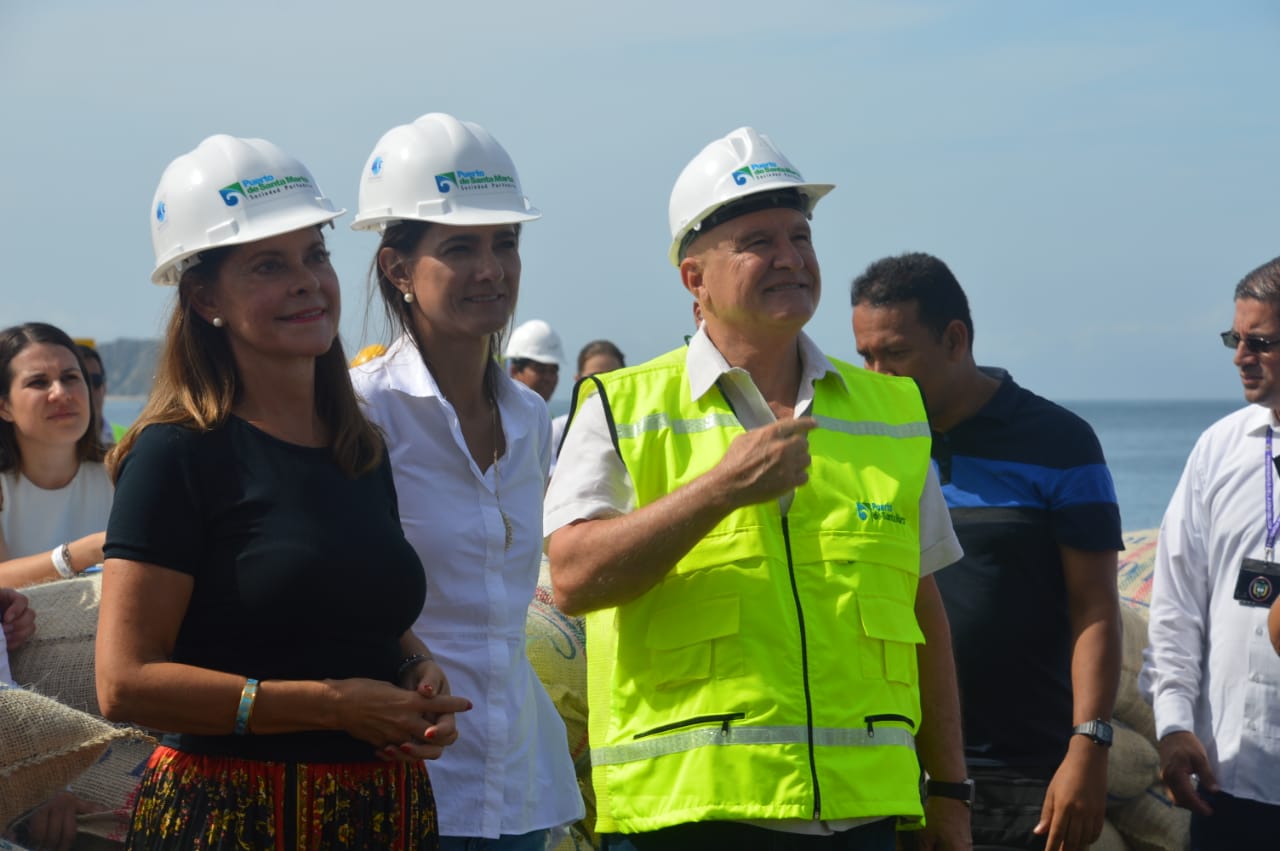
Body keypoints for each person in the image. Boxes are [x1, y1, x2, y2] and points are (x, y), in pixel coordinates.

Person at [546, 127, 970, 850]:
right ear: (694, 278)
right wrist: (719, 490)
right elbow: (573, 579)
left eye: (800, 236)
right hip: (690, 822)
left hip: (863, 816)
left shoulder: (893, 413)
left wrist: (951, 790)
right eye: (758, 242)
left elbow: (920, 604)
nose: (790, 258)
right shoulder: (619, 406)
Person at [95, 133, 468, 850]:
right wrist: (334, 707)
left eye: (315, 256)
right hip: (228, 819)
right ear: (204, 296)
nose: (307, 281)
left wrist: (411, 667)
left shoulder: (360, 449)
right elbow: (125, 680)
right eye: (270, 264)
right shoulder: (175, 453)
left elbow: (351, 612)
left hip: (381, 815)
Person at [349, 112, 583, 850]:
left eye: (505, 243)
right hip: (400, 780)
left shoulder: (526, 416)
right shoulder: (362, 413)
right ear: (397, 268)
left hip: (519, 783)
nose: (492, 269)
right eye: (460, 248)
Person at [851, 253, 1123, 851]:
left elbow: (1096, 607)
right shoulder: (866, 445)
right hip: (896, 769)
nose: (876, 374)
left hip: (1029, 773)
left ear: (954, 339)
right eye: (865, 357)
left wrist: (1089, 745)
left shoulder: (1059, 441)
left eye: (894, 355)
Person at [1139, 255, 1280, 849]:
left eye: (1260, 342)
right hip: (1226, 780)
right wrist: (1172, 726)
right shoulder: (1219, 450)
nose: (1239, 357)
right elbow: (1176, 606)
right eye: (1234, 338)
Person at [0, 322, 113, 588]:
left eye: (71, 377)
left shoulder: (125, 472)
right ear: (4, 407)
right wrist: (83, 553)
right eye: (39, 382)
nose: (61, 393)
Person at [551, 339, 626, 466]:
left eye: (612, 377)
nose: (603, 385)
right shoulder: (559, 430)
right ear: (578, 381)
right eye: (594, 378)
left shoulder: (635, 428)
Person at [506, 319, 564, 402]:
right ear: (514, 371)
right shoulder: (495, 413)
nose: (548, 378)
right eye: (541, 370)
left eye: (553, 371)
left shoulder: (539, 414)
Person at [76, 341, 116, 446]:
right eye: (82, 381)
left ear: (104, 386)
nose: (88, 390)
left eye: (95, 380)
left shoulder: (131, 440)